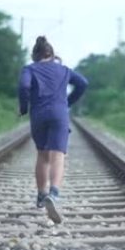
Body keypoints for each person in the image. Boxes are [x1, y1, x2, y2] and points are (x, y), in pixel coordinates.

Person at [17, 36, 88, 223]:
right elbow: (83, 83)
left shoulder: (29, 69)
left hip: (38, 115)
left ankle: (41, 195)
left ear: (35, 56)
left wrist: (24, 107)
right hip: (59, 114)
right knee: (58, 155)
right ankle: (54, 194)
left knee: (42, 155)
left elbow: (24, 86)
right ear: (52, 54)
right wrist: (68, 103)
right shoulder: (64, 70)